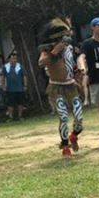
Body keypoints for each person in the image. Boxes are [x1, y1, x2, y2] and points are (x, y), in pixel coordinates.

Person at [38, 18, 84, 159]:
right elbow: (41, 63)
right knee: (64, 117)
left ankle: (73, 135)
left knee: (79, 118)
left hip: (71, 86)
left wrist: (80, 69)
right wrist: (53, 52)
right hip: (56, 88)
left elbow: (79, 57)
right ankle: (65, 145)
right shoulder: (47, 49)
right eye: (64, 36)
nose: (67, 38)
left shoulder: (70, 48)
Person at [2, 52, 27, 120]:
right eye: (12, 58)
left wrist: (25, 85)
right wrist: (3, 86)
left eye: (15, 58)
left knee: (20, 103)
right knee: (10, 103)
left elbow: (24, 76)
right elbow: (3, 77)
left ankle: (20, 116)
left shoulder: (20, 66)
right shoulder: (5, 67)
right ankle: (10, 117)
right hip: (10, 89)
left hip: (19, 88)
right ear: (9, 60)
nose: (14, 60)